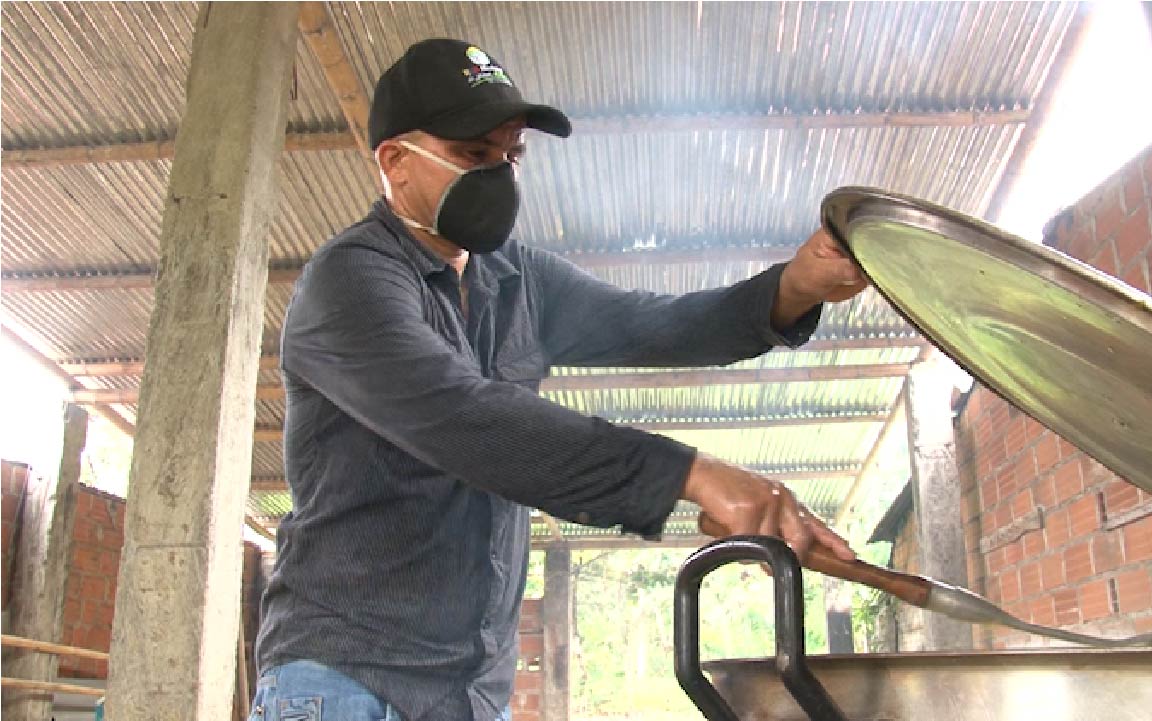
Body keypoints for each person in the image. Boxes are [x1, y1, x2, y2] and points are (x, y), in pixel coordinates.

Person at [251, 38, 868, 721]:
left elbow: (654, 326)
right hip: (345, 681)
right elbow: (465, 420)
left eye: (511, 156)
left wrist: (794, 286)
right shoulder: (351, 280)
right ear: (395, 161)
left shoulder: (517, 281)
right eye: (473, 155)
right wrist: (689, 474)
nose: (501, 177)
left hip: (469, 693)